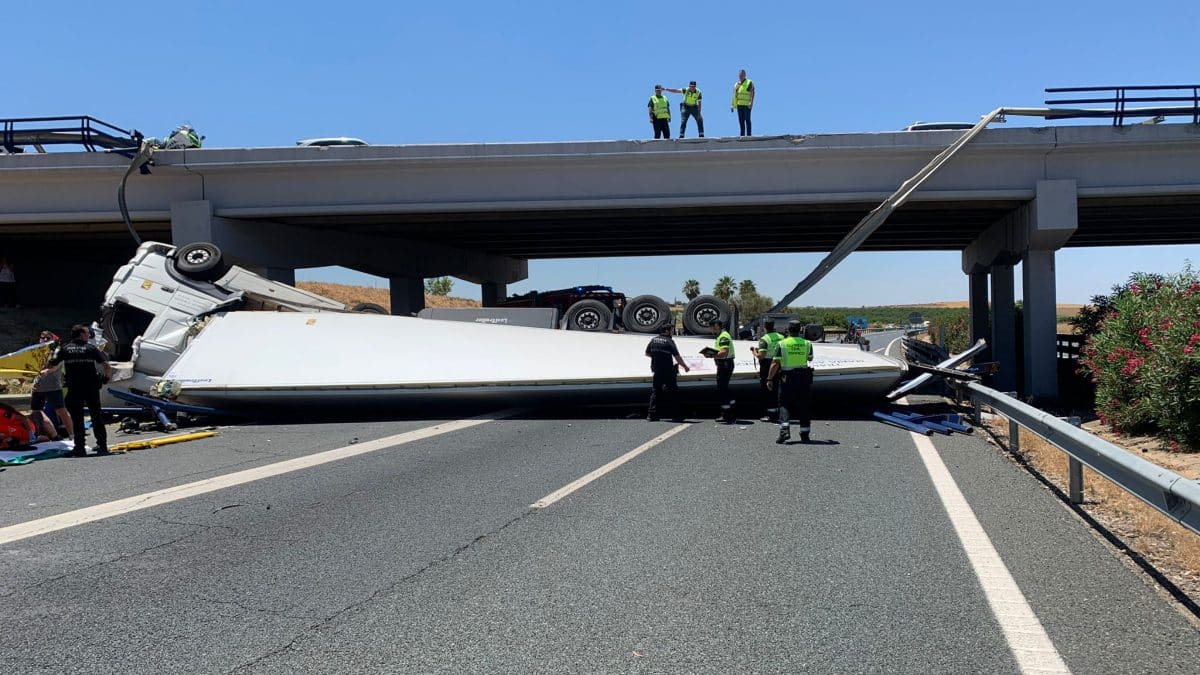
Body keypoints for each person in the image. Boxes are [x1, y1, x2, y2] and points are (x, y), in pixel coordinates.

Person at [40, 324, 111, 457]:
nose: (88, 335)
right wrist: (105, 378)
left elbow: (53, 363)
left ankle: (80, 448)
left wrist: (47, 369)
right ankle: (102, 446)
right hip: (91, 388)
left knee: (77, 419)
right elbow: (106, 365)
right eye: (86, 333)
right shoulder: (91, 348)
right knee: (96, 416)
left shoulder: (65, 349)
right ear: (81, 334)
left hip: (75, 388)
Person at [768, 320, 815, 444]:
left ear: (788, 330)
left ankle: (784, 431)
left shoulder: (782, 344)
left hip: (787, 377)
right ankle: (805, 434)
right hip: (804, 377)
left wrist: (769, 378)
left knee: (784, 403)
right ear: (800, 330)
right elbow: (810, 358)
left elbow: (775, 363)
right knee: (804, 404)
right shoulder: (807, 343)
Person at [29, 330, 72, 438]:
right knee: (37, 412)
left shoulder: (57, 351)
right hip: (38, 387)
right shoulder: (36, 352)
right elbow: (31, 367)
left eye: (47, 338)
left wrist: (47, 371)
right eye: (42, 337)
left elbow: (56, 366)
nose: (44, 340)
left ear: (53, 340)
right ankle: (51, 435)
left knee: (61, 411)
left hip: (53, 387)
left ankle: (73, 434)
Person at [644, 322, 690, 421]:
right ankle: (675, 415)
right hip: (668, 370)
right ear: (667, 331)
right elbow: (677, 357)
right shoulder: (669, 341)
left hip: (656, 370)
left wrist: (657, 357)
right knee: (673, 393)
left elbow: (647, 353)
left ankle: (651, 415)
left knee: (656, 392)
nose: (672, 333)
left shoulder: (653, 340)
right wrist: (685, 367)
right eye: (671, 330)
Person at [751, 319, 785, 421]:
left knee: (767, 389)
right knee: (776, 389)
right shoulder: (781, 337)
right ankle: (777, 411)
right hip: (780, 364)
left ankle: (771, 414)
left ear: (765, 327)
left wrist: (754, 352)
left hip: (768, 365)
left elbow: (761, 356)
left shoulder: (764, 339)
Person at [705, 319, 736, 423]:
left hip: (725, 364)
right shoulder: (720, 336)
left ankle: (727, 415)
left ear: (716, 326)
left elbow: (723, 352)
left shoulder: (723, 336)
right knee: (723, 388)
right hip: (724, 364)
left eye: (711, 327)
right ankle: (729, 410)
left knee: (722, 389)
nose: (710, 329)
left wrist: (710, 355)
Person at [730, 69, 755, 137]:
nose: (741, 76)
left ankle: (749, 134)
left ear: (745, 75)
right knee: (741, 121)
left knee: (747, 120)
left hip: (747, 105)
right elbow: (734, 95)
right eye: (740, 75)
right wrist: (732, 105)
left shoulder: (749, 82)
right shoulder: (736, 84)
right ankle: (742, 135)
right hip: (739, 105)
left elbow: (752, 93)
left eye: (742, 75)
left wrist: (751, 102)